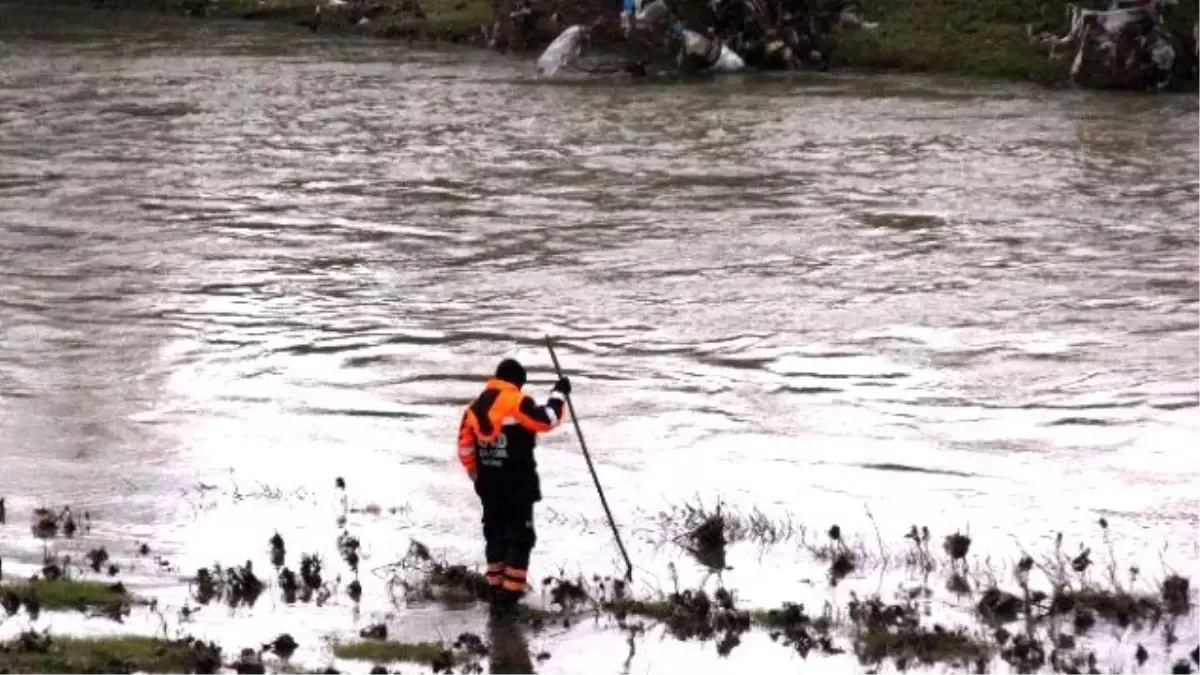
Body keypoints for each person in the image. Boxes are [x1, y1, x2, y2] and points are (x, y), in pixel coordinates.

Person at [457, 358, 571, 612]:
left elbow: (464, 448)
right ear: (517, 382)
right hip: (518, 485)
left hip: (488, 486)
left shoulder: (473, 409)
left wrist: (477, 477)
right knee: (520, 538)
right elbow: (547, 419)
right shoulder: (516, 401)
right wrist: (559, 394)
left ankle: (496, 588)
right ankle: (510, 597)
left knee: (494, 534)